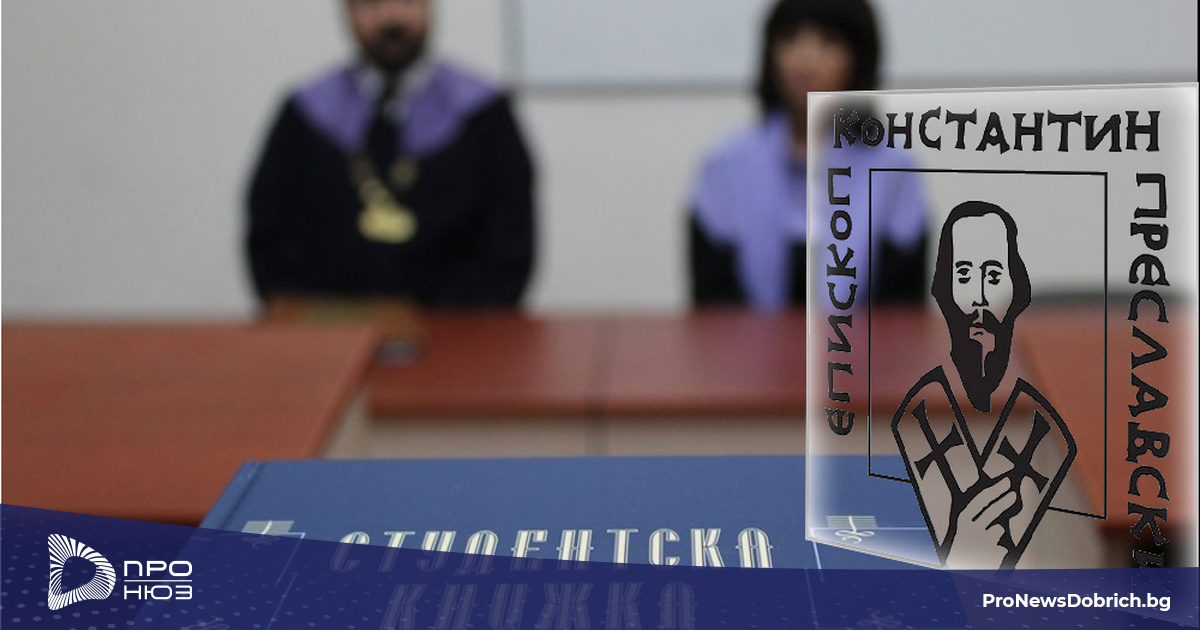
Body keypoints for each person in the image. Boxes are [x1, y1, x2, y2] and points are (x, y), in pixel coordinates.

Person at [247, 0, 535, 307]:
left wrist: (441, 322)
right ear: (347, 11)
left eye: (407, 1)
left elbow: (509, 245)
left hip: (458, 326)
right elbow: (271, 237)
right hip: (329, 325)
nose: (391, 17)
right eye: (371, 4)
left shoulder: (484, 115)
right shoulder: (304, 115)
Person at [687, 0, 927, 310]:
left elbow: (902, 309)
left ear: (859, 57)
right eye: (790, 38)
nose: (806, 59)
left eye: (829, 40)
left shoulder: (893, 167)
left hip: (860, 342)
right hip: (748, 342)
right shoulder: (726, 163)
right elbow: (713, 306)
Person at [890, 201, 1075, 570]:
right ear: (941, 292)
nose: (978, 298)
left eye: (993, 277)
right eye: (963, 276)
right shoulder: (913, 414)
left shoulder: (1050, 420)